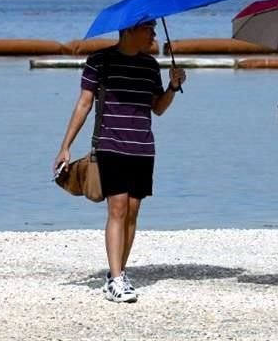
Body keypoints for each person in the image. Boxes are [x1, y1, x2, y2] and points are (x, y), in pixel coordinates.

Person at [54, 19, 186, 303]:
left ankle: (119, 272)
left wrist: (173, 87)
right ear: (129, 31)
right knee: (117, 207)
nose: (153, 34)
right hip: (109, 145)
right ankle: (115, 279)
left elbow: (158, 108)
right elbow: (84, 104)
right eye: (148, 29)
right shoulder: (100, 61)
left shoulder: (150, 66)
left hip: (142, 147)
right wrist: (66, 146)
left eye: (153, 28)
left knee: (133, 211)